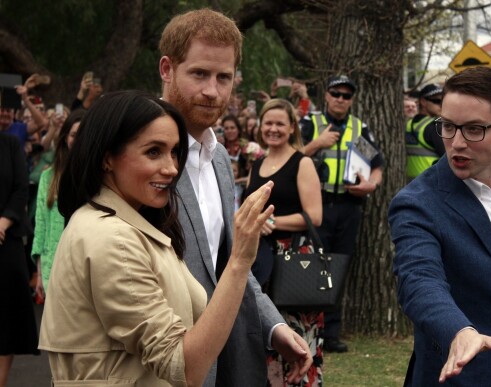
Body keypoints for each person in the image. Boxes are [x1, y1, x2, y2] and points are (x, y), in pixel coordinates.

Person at [39, 90, 277, 386]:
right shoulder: (114, 238)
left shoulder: (131, 225)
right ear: (107, 158)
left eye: (175, 152)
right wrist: (240, 260)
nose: (171, 168)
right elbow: (184, 367)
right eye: (153, 151)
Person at [158, 9, 312, 385]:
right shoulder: (136, 156)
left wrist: (274, 326)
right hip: (163, 365)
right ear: (167, 69)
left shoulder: (221, 160)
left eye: (223, 77)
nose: (213, 90)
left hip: (228, 362)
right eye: (199, 74)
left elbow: (230, 264)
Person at [388, 67, 491, 386]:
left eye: (474, 129)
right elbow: (419, 279)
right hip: (461, 375)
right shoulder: (417, 201)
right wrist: (460, 331)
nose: (457, 143)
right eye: (448, 127)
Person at [300, 74, 384, 353]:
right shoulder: (311, 124)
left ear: (352, 100)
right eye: (336, 94)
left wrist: (370, 185)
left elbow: (377, 165)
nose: (340, 99)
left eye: (346, 96)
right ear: (326, 95)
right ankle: (310, 330)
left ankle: (331, 333)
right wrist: (316, 145)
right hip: (317, 204)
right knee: (313, 267)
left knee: (338, 267)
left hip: (349, 206)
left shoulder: (359, 128)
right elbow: (288, 156)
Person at [245, 99, 323, 386]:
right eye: (269, 123)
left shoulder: (302, 163)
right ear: (260, 127)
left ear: (291, 128)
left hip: (295, 259)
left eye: (280, 123)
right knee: (265, 331)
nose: (273, 129)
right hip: (259, 257)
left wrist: (271, 222)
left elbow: (314, 216)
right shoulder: (256, 164)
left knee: (297, 332)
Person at [31, 109, 85, 299]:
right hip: (53, 265)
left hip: (84, 264)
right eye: (73, 135)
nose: (78, 140)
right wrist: (39, 273)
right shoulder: (48, 177)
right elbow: (41, 226)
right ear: (65, 138)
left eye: (83, 135)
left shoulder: (98, 176)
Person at [0, 131, 39, 386]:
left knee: (5, 321)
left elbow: (21, 188)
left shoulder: (10, 144)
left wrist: (3, 223)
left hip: (7, 240)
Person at [405, 83, 445, 180]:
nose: (441, 105)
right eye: (437, 101)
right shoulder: (435, 126)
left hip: (411, 183)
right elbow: (448, 157)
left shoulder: (408, 124)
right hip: (433, 182)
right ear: (423, 101)